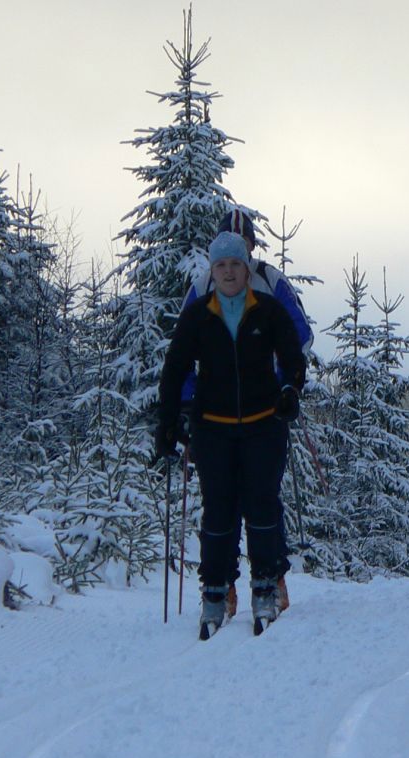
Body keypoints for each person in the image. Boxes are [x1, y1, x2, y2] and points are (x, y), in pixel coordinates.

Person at [156, 231, 307, 638]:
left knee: (262, 507)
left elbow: (293, 356)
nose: (228, 272)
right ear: (212, 269)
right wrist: (168, 422)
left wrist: (290, 390)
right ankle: (214, 593)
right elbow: (175, 368)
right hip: (213, 428)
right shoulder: (198, 315)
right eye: (220, 265)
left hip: (264, 423)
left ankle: (265, 588)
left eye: (235, 264)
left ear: (246, 267)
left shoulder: (268, 311)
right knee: (218, 512)